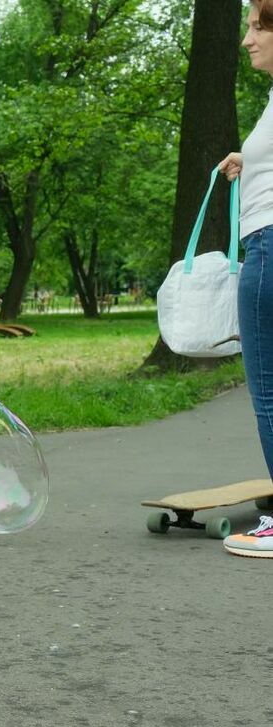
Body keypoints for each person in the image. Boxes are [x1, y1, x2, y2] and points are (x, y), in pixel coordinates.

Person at [219, 1, 273, 557]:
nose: (246, 40)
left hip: (269, 248)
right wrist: (250, 160)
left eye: (257, 27)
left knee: (271, 394)